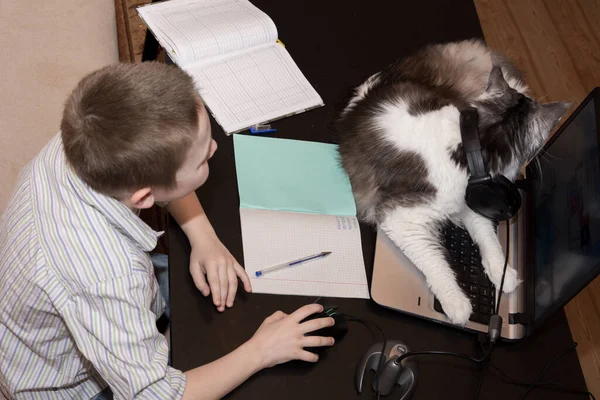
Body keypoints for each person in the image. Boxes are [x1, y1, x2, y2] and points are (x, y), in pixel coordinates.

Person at [0, 62, 335, 400]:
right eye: (202, 160)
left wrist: (202, 233)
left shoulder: (86, 139)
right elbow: (159, 396)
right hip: (61, 381)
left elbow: (156, 179)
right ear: (144, 197)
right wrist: (262, 351)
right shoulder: (109, 277)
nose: (214, 149)